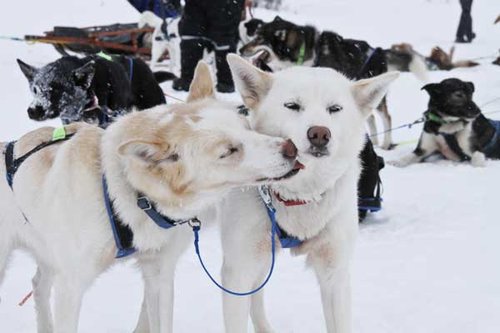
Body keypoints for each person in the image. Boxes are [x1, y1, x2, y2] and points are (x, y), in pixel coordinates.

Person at [172, 0, 245, 93]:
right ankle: (225, 82)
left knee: (193, 37)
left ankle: (188, 79)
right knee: (223, 40)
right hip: (224, 9)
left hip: (199, 11)